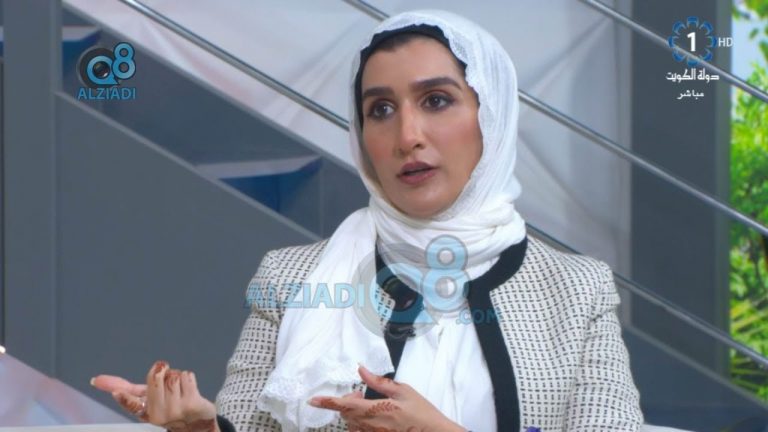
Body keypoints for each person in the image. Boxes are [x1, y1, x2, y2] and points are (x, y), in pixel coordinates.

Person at [92, 9, 644, 432]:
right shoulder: (290, 278)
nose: (407, 136)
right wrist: (203, 430)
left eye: (436, 100)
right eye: (380, 109)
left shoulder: (578, 290)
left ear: (492, 116)